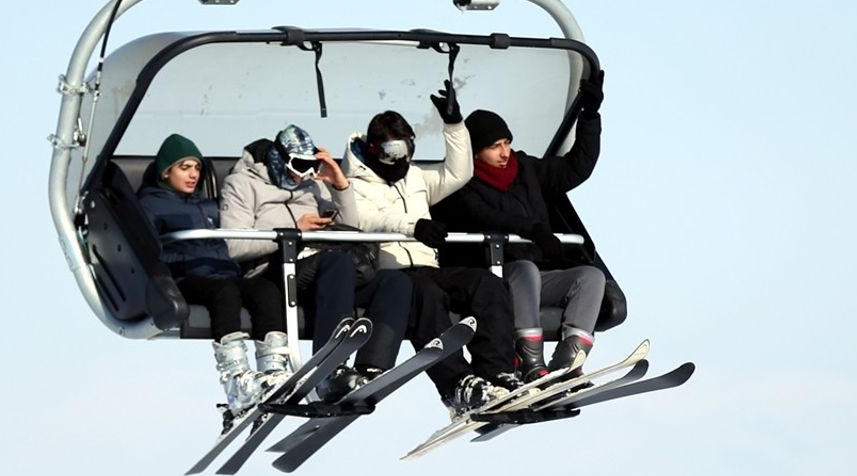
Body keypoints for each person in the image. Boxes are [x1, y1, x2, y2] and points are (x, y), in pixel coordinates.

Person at [341, 81, 519, 415]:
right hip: (388, 278)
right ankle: (457, 385)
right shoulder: (353, 185)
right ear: (374, 151)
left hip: (429, 269)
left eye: (407, 150)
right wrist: (414, 227)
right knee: (426, 296)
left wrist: (453, 125)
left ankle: (497, 371)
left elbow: (458, 172)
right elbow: (366, 219)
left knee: (487, 284)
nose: (401, 160)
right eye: (393, 153)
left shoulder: (416, 178)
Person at [219, 124, 412, 402]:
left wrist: (338, 183)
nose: (307, 173)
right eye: (300, 165)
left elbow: (351, 229)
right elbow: (234, 246)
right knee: (337, 263)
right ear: (280, 159)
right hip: (272, 270)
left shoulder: (312, 184)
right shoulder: (242, 184)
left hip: (322, 271)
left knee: (394, 282)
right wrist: (294, 229)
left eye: (312, 165)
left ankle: (371, 368)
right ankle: (328, 367)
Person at [438, 71, 608, 380]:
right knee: (525, 269)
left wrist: (590, 116)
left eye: (506, 143)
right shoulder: (461, 183)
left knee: (590, 277)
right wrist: (533, 229)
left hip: (536, 274)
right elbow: (483, 215)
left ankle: (570, 359)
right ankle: (529, 359)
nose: (504, 153)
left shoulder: (526, 168)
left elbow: (576, 168)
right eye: (494, 147)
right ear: (476, 151)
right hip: (496, 277)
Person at [138, 133, 292, 416]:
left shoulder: (211, 206)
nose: (193, 174)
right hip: (185, 276)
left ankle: (273, 370)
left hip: (223, 272)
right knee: (225, 293)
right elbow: (148, 248)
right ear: (166, 171)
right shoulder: (151, 204)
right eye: (185, 168)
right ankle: (237, 378)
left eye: (196, 168)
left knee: (264, 290)